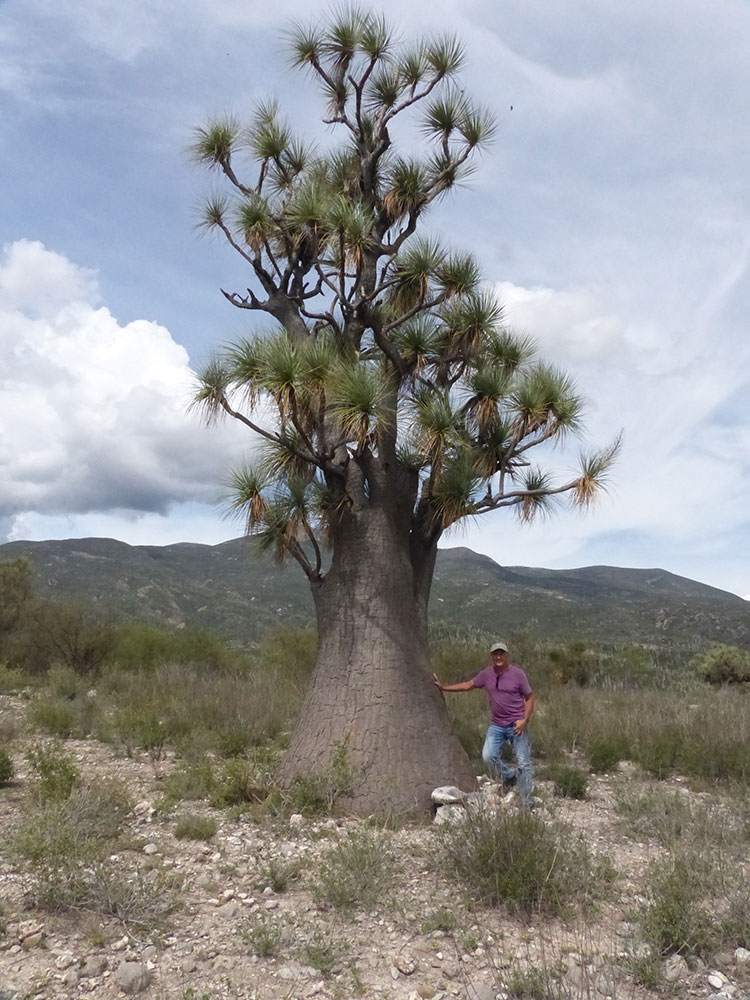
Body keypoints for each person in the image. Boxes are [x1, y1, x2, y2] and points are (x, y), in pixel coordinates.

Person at [433, 640, 535, 807]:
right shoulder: (487, 674)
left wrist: (524, 720)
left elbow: (529, 697)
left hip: (516, 725)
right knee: (488, 756)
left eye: (501, 653)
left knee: (524, 762)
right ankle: (509, 777)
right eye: (495, 654)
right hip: (497, 725)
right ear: (492, 656)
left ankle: (527, 802)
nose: (499, 656)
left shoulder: (518, 674)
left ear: (507, 655)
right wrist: (444, 687)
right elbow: (468, 685)